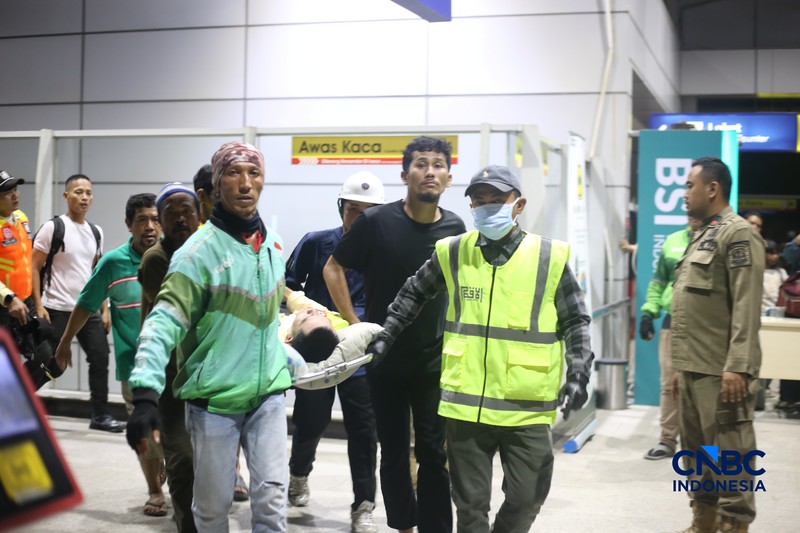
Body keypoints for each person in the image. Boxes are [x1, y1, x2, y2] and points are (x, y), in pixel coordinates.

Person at [367, 165, 593, 532]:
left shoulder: (549, 258)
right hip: (465, 405)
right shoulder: (453, 253)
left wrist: (579, 371)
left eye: (496, 200)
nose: (487, 207)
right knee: (470, 509)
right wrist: (386, 336)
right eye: (479, 201)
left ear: (518, 205)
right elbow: (413, 293)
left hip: (526, 405)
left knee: (525, 499)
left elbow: (575, 321)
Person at [126, 141, 291, 532]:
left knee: (270, 497)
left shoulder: (270, 245)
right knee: (213, 509)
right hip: (213, 401)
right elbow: (163, 321)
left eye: (254, 173)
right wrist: (146, 394)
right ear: (216, 186)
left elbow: (264, 324)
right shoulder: (196, 254)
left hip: (267, 395)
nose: (245, 183)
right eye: (234, 173)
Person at [324, 136, 466, 533]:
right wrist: (355, 324)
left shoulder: (455, 227)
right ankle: (403, 524)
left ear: (449, 178)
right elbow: (333, 268)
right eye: (421, 164)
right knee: (393, 449)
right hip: (384, 358)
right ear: (405, 175)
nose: (430, 171)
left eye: (438, 165)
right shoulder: (375, 222)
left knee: (434, 452)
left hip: (432, 359)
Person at [53, 193, 164, 516]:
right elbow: (86, 303)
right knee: (144, 430)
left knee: (174, 433)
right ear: (128, 225)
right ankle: (155, 491)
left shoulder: (174, 258)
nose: (150, 226)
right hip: (135, 365)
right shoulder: (113, 262)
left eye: (155, 219)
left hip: (175, 365)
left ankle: (165, 466)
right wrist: (63, 343)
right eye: (141, 220)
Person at [285, 171, 384, 533]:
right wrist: (301, 320)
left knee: (363, 431)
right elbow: (288, 285)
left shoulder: (383, 253)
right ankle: (298, 474)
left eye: (368, 211)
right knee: (311, 422)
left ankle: (363, 507)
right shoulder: (316, 243)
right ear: (341, 208)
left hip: (361, 357)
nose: (358, 218)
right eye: (353, 209)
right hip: (319, 355)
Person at [670, 157, 764, 533]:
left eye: (690, 185)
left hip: (722, 370)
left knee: (731, 455)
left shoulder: (737, 234)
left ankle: (732, 524)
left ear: (712, 188)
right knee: (696, 456)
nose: (684, 193)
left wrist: (738, 365)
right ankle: (704, 521)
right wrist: (681, 366)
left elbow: (746, 303)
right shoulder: (702, 234)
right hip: (694, 368)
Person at [31, 174, 125, 432]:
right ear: (66, 196)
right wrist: (39, 306)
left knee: (100, 357)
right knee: (51, 363)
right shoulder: (54, 228)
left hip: (87, 309)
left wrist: (104, 307)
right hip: (56, 308)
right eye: (78, 192)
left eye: (88, 193)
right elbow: (34, 266)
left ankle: (101, 416)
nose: (84, 197)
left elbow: (97, 273)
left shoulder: (96, 232)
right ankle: (16, 404)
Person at [138, 182, 201, 531]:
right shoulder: (157, 259)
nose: (180, 219)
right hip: (171, 377)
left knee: (209, 459)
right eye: (171, 213)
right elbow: (176, 315)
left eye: (186, 211)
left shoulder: (209, 250)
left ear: (199, 215)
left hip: (208, 375)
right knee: (183, 457)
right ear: (160, 220)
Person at [192, 163, 250, 503]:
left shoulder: (243, 235)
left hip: (235, 347)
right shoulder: (192, 241)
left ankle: (233, 471)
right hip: (198, 350)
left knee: (235, 413)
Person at [639, 217, 697, 460]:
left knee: (699, 385)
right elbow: (659, 281)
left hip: (705, 327)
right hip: (672, 322)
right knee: (668, 385)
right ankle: (667, 440)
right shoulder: (673, 241)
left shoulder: (717, 238)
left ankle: (698, 445)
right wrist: (648, 312)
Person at [0, 170, 61, 385]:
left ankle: (15, 404)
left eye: (15, 189)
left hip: (25, 303)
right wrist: (8, 298)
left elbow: (27, 263)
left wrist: (37, 302)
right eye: (8, 192)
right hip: (4, 307)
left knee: (46, 359)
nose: (15, 195)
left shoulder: (21, 218)